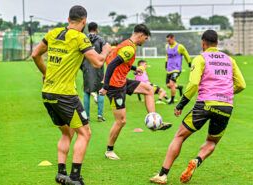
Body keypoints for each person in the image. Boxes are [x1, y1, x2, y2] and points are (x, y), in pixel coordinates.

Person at [150, 30, 246, 184]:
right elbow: (241, 85)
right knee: (212, 141)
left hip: (205, 105)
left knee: (179, 136)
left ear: (203, 43)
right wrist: (226, 94)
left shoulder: (201, 58)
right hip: (226, 106)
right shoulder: (230, 60)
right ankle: (197, 160)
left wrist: (181, 104)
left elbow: (194, 84)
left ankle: (162, 175)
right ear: (217, 42)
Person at [32, 5, 111, 185]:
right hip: (65, 95)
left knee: (67, 132)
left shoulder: (52, 33)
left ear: (68, 20)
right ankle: (75, 177)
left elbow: (35, 54)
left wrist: (45, 73)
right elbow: (98, 62)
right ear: (84, 22)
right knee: (85, 133)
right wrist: (107, 50)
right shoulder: (79, 37)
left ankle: (61, 174)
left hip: (47, 93)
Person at [99, 24, 172, 160]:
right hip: (114, 86)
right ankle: (109, 150)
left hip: (122, 80)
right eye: (145, 38)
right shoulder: (129, 48)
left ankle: (154, 121)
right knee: (121, 121)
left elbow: (121, 63)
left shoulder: (127, 45)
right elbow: (111, 66)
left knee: (149, 89)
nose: (145, 41)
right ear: (140, 36)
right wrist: (105, 86)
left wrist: (134, 68)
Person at [81, 22, 106, 122]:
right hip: (98, 68)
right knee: (100, 91)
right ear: (97, 29)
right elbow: (104, 52)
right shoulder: (100, 39)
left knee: (87, 92)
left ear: (88, 30)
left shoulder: (84, 39)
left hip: (86, 68)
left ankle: (86, 116)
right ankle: (100, 115)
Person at [165, 33, 191, 105]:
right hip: (169, 69)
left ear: (173, 38)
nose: (168, 42)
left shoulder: (179, 47)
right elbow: (167, 56)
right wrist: (166, 64)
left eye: (169, 40)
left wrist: (189, 62)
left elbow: (186, 54)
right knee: (168, 85)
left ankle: (172, 100)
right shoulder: (167, 46)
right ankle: (179, 87)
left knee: (171, 84)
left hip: (176, 69)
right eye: (167, 41)